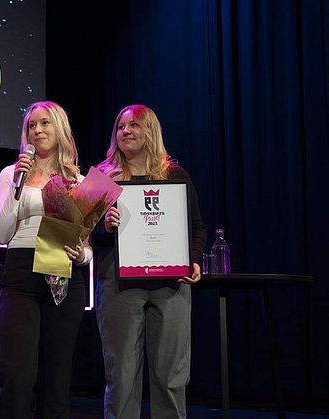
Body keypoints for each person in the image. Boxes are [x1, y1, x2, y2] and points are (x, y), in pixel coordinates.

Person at [92, 104, 207, 419]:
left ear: (151, 131)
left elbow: (197, 227)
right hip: (118, 285)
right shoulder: (103, 177)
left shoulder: (175, 175)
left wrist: (193, 260)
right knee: (122, 377)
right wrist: (105, 228)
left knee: (170, 376)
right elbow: (82, 236)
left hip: (170, 284)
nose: (126, 131)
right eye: (121, 127)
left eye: (134, 126)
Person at [0, 101, 91, 419]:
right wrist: (17, 191)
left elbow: (87, 245)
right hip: (20, 273)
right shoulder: (11, 174)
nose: (37, 130)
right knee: (17, 375)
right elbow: (0, 233)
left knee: (57, 377)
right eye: (31, 125)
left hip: (63, 273)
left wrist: (82, 256)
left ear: (59, 129)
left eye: (45, 123)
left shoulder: (79, 180)